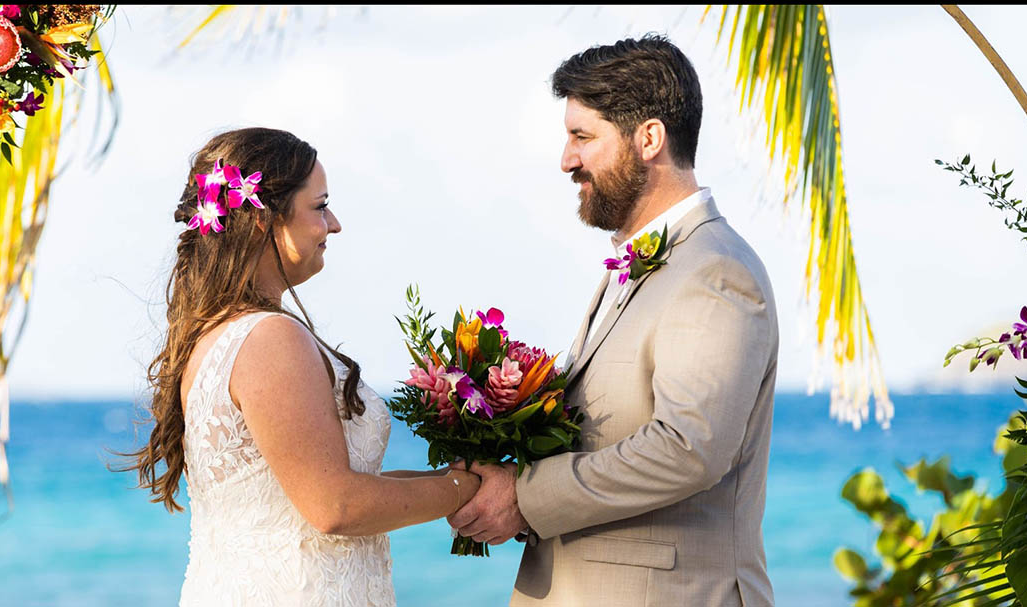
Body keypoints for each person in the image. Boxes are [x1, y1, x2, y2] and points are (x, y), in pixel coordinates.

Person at [448, 35, 779, 606]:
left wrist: (525, 496)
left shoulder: (716, 271)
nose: (566, 160)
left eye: (582, 137)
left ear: (649, 138)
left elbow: (688, 448)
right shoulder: (640, 265)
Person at [121, 127, 480, 606]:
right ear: (261, 221)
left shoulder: (217, 332)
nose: (333, 224)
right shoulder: (270, 338)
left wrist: (456, 479)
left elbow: (325, 489)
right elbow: (335, 504)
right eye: (320, 206)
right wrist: (464, 490)